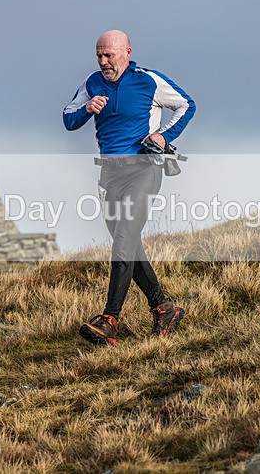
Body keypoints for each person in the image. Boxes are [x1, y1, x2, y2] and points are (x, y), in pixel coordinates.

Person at [63, 30, 196, 346]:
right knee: (130, 247)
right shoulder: (92, 83)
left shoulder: (148, 80)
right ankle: (164, 309)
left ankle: (109, 320)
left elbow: (186, 105)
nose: (103, 61)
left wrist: (164, 136)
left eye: (109, 55)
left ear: (127, 52)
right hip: (110, 176)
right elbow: (68, 119)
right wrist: (87, 109)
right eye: (99, 55)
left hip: (144, 170)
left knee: (123, 239)